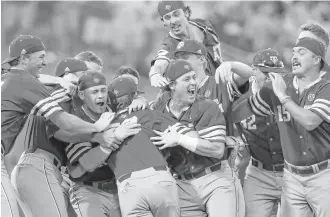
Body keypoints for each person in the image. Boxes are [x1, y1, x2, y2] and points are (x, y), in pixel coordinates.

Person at [1, 35, 112, 217]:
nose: (45, 62)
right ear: (24, 57)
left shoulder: (12, 78)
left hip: (34, 168)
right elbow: (64, 126)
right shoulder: (53, 92)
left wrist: (58, 80)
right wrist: (97, 129)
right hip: (39, 167)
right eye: (41, 57)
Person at [69, 76, 194, 217]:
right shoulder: (150, 114)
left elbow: (84, 164)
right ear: (134, 96)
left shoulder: (105, 125)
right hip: (160, 178)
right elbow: (191, 137)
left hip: (127, 185)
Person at [244, 37, 330, 217]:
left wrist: (282, 96)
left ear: (317, 60)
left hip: (323, 174)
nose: (295, 57)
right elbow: (247, 109)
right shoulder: (280, 83)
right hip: (291, 177)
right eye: (293, 52)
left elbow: (310, 121)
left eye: (302, 52)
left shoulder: (325, 87)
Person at [151, 59, 245, 217]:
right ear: (172, 85)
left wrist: (180, 139)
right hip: (182, 184)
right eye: (187, 79)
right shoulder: (158, 111)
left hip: (214, 178)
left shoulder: (207, 106)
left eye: (194, 77)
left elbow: (216, 150)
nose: (193, 82)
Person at [62, 71, 141, 217]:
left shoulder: (114, 109)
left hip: (119, 190)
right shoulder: (76, 121)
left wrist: (139, 100)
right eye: (94, 92)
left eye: (103, 90)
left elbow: (132, 92)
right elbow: (84, 166)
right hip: (89, 191)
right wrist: (111, 140)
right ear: (81, 95)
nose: (100, 96)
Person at [230, 48, 286, 217]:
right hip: (258, 173)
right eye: (266, 72)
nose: (272, 77)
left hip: (291, 172)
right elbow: (224, 124)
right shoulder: (239, 97)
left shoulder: (289, 92)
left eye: (277, 73)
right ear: (253, 71)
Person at [149, 1, 223, 88]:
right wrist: (155, 74)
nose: (173, 21)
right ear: (164, 22)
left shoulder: (204, 24)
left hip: (223, 85)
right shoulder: (170, 44)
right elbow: (160, 64)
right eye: (167, 17)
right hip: (202, 95)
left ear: (186, 13)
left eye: (176, 14)